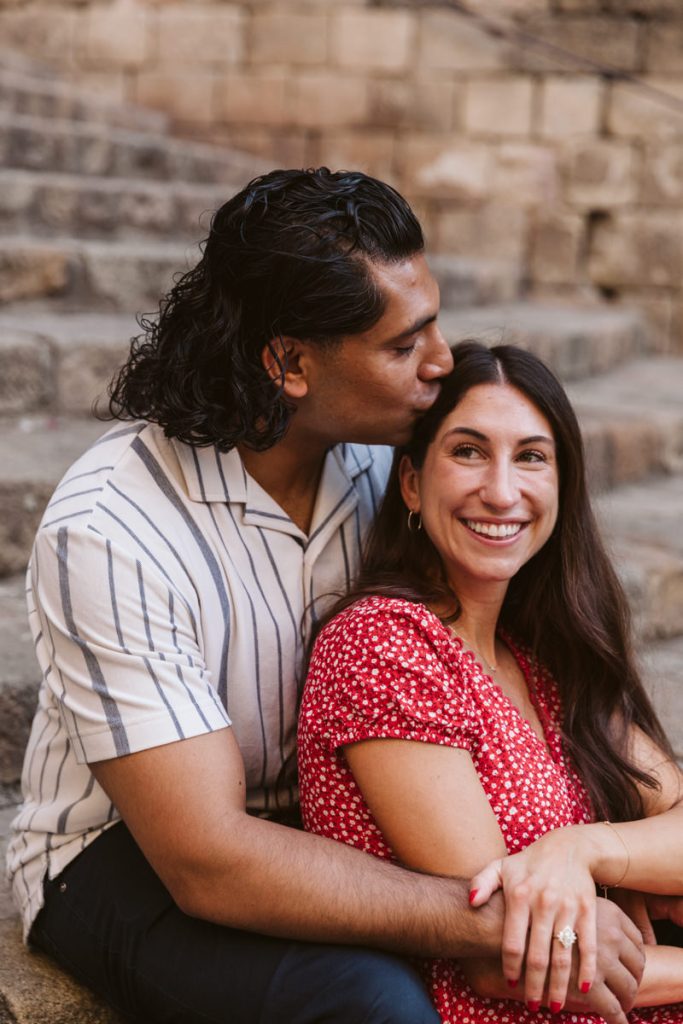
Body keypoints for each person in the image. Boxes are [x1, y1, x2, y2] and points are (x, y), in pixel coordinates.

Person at [7, 169, 643, 1024]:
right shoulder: (114, 531)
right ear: (289, 363)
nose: (440, 361)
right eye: (400, 345)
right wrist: (507, 918)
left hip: (336, 818)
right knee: (374, 1006)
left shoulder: (390, 464)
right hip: (128, 857)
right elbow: (208, 858)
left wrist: (582, 850)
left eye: (434, 324)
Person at [298, 340, 683, 1021]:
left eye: (530, 456)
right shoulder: (383, 644)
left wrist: (581, 851)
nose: (501, 491)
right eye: (468, 451)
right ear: (412, 482)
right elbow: (508, 954)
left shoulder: (539, 653)